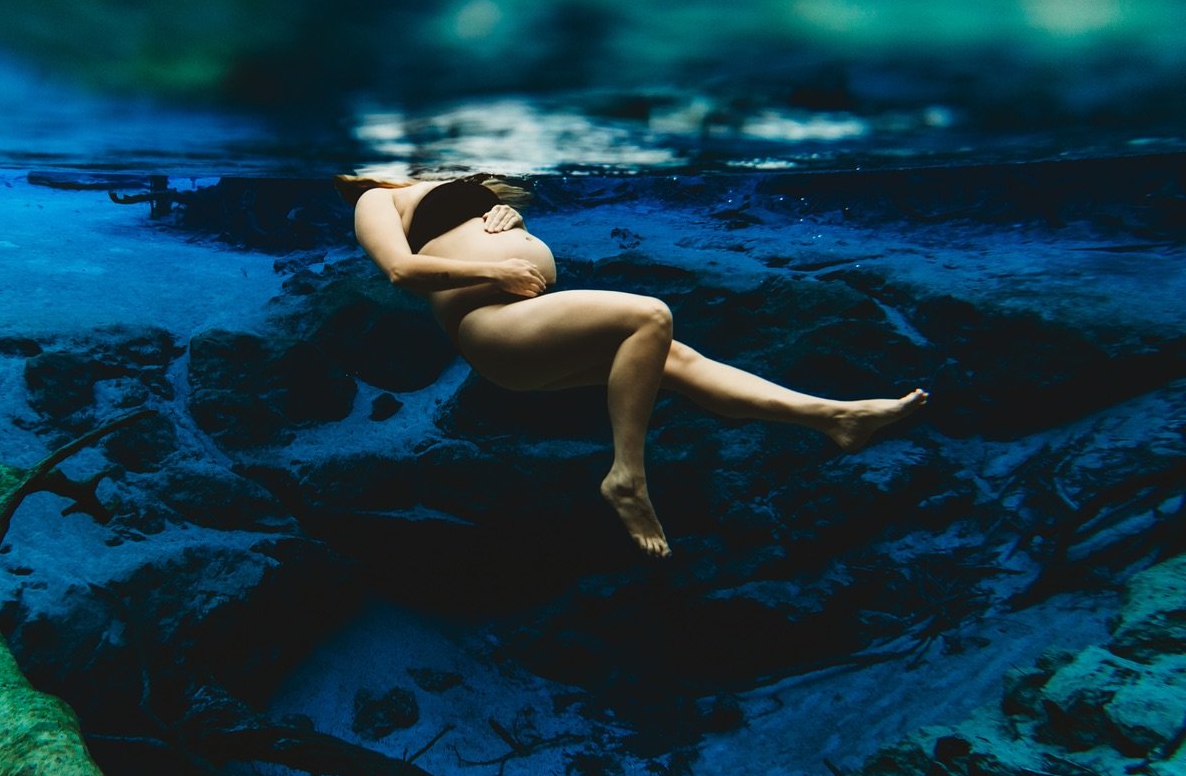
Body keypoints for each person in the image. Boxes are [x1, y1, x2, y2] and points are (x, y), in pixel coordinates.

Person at [336, 173, 928, 559]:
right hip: (492, 328)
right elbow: (401, 271)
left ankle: (833, 417)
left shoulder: (447, 170)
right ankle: (626, 476)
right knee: (650, 316)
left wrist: (504, 216)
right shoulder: (376, 197)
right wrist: (496, 270)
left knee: (681, 362)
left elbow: (471, 223)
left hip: (530, 326)